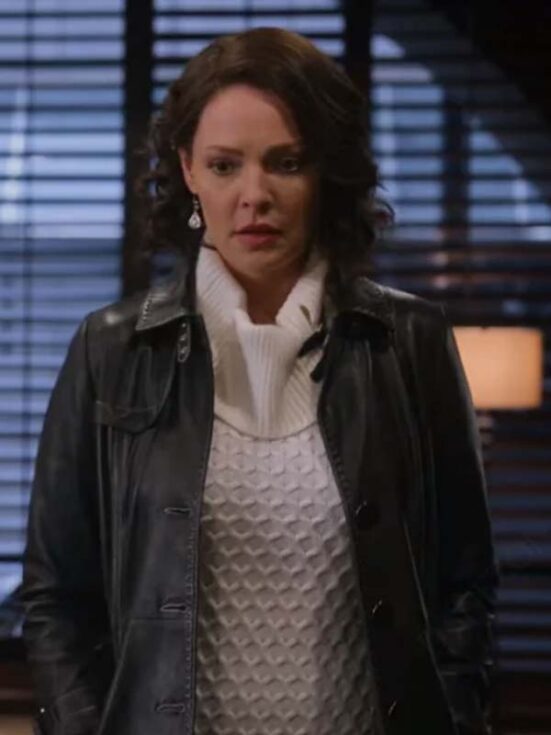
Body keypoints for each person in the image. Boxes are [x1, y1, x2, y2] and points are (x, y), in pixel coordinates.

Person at [20, 26, 499, 735]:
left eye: (286, 163)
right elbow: (56, 598)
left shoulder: (408, 343)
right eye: (225, 165)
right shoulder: (110, 349)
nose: (255, 195)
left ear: (324, 173)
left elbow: (466, 585)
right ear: (187, 170)